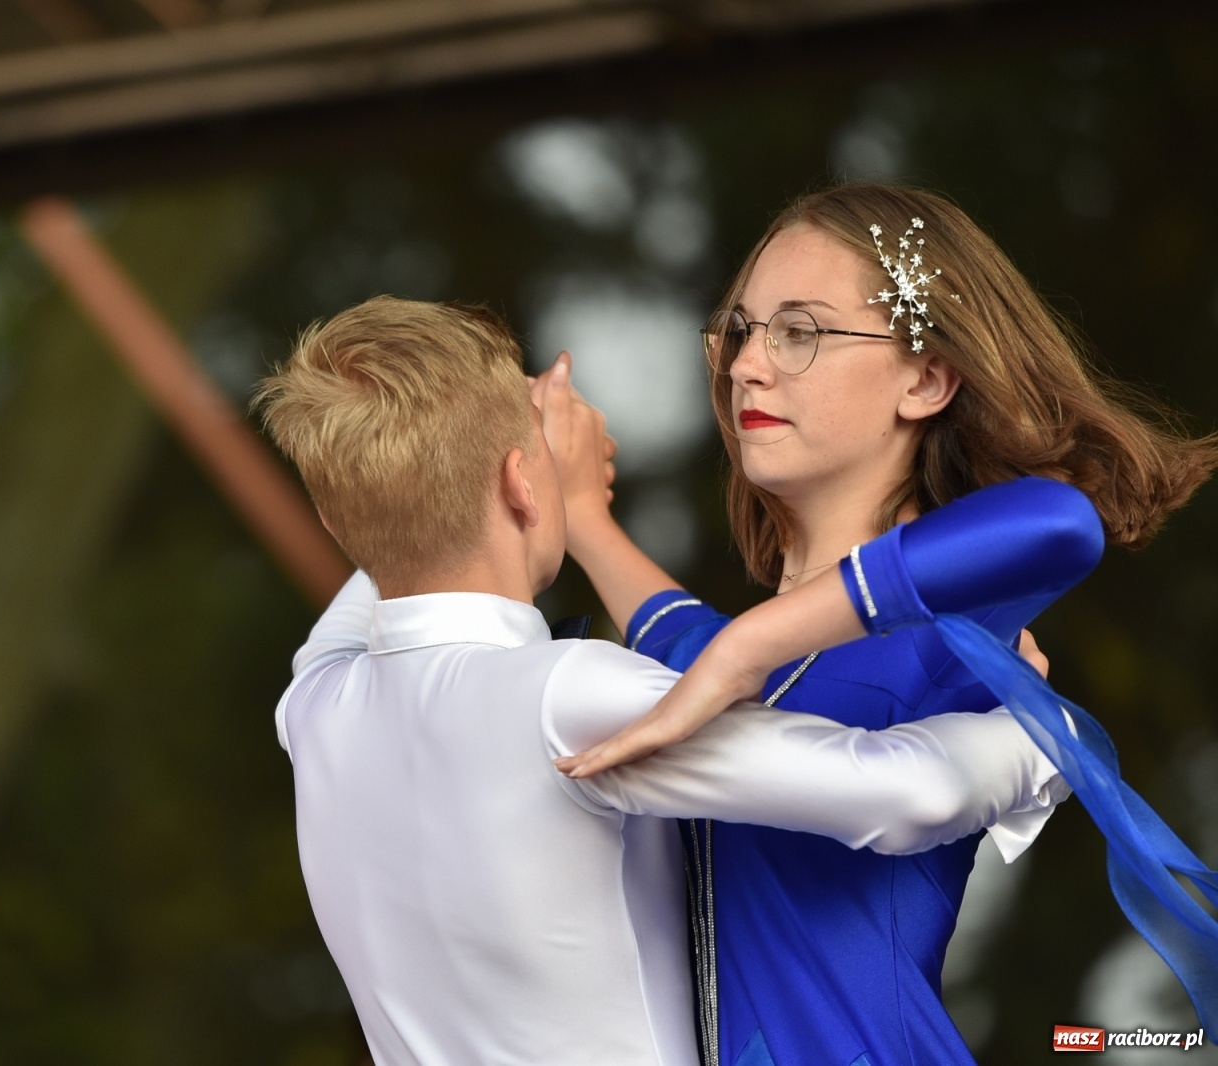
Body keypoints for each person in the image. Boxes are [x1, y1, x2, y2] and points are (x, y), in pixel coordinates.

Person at [255, 295, 1074, 1065]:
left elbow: (383, 541)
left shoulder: (316, 704)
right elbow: (910, 795)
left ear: (334, 519)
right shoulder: (565, 697)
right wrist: (1044, 732)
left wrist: (474, 455)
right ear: (518, 483)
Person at [544, 183, 1218, 1063]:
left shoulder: (956, 628)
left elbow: (1060, 524)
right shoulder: (736, 660)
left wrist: (746, 648)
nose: (748, 363)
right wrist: (584, 521)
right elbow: (680, 634)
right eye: (742, 329)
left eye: (801, 331)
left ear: (927, 378)